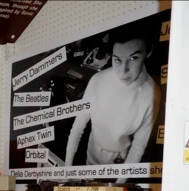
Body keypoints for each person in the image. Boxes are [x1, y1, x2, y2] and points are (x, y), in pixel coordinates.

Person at [65, 23, 161, 171]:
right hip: (92, 155)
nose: (123, 71)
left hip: (121, 163)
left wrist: (119, 183)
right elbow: (78, 128)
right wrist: (66, 170)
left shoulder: (151, 94)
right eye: (117, 59)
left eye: (133, 58)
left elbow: (138, 146)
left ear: (148, 52)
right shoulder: (98, 80)